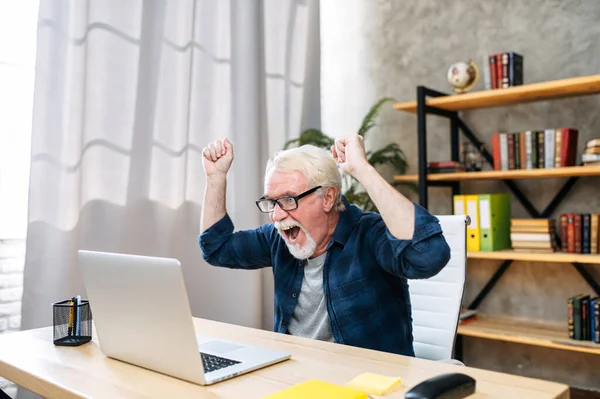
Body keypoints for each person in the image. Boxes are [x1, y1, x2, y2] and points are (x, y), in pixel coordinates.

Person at [199, 134, 451, 356]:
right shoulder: (279, 239)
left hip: (369, 383)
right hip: (295, 377)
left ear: (328, 197)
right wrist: (215, 177)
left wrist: (361, 169)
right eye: (271, 202)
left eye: (288, 199)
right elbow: (216, 248)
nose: (276, 215)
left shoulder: (368, 234)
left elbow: (428, 256)